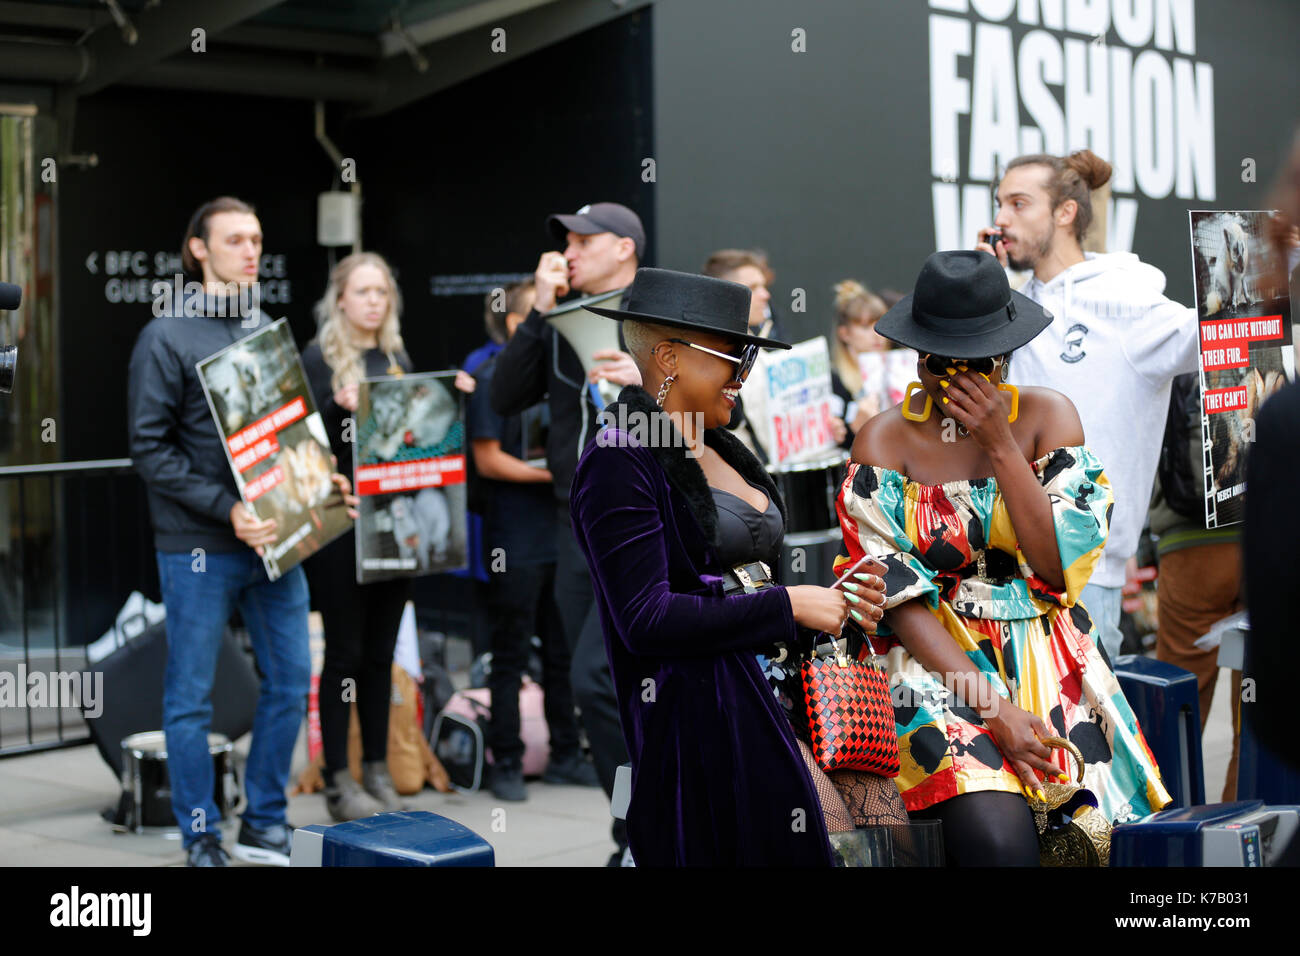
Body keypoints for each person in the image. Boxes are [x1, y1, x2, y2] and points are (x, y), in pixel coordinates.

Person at [840, 250, 1171, 867]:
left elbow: (1054, 567)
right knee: (999, 840)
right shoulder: (883, 440)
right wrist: (996, 712)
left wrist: (999, 444)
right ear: (917, 356)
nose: (957, 382)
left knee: (1084, 840)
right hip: (936, 662)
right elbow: (896, 597)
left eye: (980, 364)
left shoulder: (1048, 417)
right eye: (941, 363)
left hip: (1047, 650)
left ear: (1009, 356)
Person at [569, 267, 891, 866]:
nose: (744, 375)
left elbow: (741, 580)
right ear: (668, 357)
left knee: (881, 836)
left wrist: (825, 604)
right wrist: (789, 605)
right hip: (705, 717)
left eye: (749, 359)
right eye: (732, 358)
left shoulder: (720, 443)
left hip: (793, 693)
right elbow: (647, 618)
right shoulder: (619, 458)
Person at [128, 196, 356, 866]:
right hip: (199, 544)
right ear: (198, 249)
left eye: (256, 238)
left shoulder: (265, 327)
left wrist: (323, 483)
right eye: (235, 240)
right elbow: (149, 450)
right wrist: (225, 509)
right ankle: (200, 832)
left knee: (290, 680)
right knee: (191, 697)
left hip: (280, 539)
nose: (251, 250)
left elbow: (287, 438)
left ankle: (263, 820)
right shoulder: (164, 337)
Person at [976, 148, 1199, 665]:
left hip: (1084, 577)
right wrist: (978, 294)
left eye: (1018, 203)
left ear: (1065, 213)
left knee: (1085, 740)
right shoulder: (1011, 302)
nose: (1001, 218)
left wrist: (1271, 268)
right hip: (992, 567)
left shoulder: (1128, 301)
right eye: (998, 204)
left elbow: (1215, 332)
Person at [490, 201, 642, 864]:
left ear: (626, 248)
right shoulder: (555, 321)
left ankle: (649, 823)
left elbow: (720, 409)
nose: (570, 251)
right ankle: (633, 831)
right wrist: (539, 311)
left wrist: (653, 385)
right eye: (566, 242)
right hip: (575, 524)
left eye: (585, 240)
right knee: (604, 692)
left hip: (643, 525)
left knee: (596, 681)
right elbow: (504, 394)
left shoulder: (661, 309)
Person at [467, 281, 599, 801]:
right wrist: (560, 477)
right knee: (510, 651)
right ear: (517, 324)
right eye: (539, 320)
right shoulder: (489, 379)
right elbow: (487, 459)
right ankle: (507, 760)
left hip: (561, 531)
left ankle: (566, 753)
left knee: (564, 649)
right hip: (514, 536)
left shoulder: (565, 377)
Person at [300, 252, 414, 822]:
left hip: (392, 522)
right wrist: (331, 406)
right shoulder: (318, 359)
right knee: (342, 653)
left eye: (382, 292)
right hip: (339, 525)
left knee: (380, 654)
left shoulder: (394, 358)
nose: (374, 301)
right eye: (363, 291)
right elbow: (296, 447)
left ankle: (376, 767)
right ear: (339, 298)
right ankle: (337, 780)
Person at [829, 279, 891, 449]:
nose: (876, 333)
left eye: (879, 324)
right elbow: (836, 443)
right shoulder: (835, 381)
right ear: (844, 334)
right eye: (865, 327)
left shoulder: (900, 371)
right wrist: (854, 428)